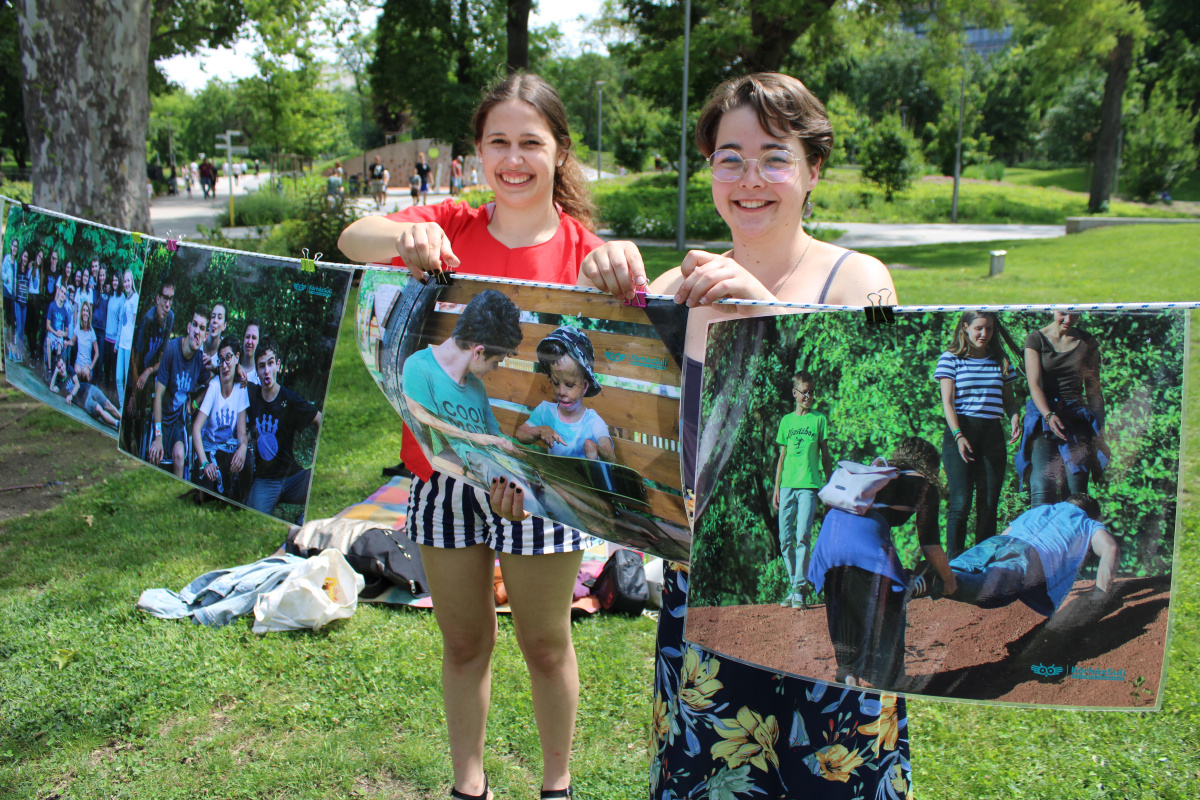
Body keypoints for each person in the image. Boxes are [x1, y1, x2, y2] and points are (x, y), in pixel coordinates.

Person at [572, 72, 910, 797]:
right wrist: (601, 276)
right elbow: (598, 401)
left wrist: (769, 314)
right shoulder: (681, 286)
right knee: (712, 778)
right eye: (730, 158)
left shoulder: (862, 280)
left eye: (774, 158)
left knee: (835, 778)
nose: (750, 179)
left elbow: (885, 424)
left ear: (813, 170)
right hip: (706, 592)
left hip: (830, 589)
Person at [338, 72, 602, 800]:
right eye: (498, 143)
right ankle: (468, 786)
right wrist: (406, 233)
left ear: (560, 151)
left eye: (530, 143)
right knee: (462, 642)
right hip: (442, 482)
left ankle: (556, 786)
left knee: (545, 643)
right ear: (478, 151)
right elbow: (353, 238)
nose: (513, 160)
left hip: (540, 489)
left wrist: (623, 264)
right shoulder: (451, 225)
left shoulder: (582, 247)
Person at [807, 436, 950, 687]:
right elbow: (930, 546)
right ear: (929, 466)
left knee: (843, 603)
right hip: (865, 545)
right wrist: (949, 580)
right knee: (892, 600)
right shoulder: (924, 486)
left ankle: (848, 672)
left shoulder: (877, 476)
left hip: (829, 543)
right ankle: (892, 677)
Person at [916, 493, 1120, 621]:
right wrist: (1100, 595)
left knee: (957, 568)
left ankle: (924, 577)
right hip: (1030, 556)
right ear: (1091, 514)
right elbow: (1110, 549)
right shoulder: (1088, 523)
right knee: (988, 591)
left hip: (998, 541)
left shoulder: (1043, 509)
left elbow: (1007, 534)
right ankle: (937, 581)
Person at [936, 311, 1022, 557]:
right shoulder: (950, 359)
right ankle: (953, 565)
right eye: (979, 328)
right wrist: (958, 435)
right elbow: (948, 403)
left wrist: (1015, 417)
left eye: (989, 329)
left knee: (988, 503)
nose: (984, 334)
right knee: (961, 502)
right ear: (965, 327)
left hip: (992, 434)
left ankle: (983, 562)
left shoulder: (1000, 361)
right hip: (961, 432)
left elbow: (1010, 402)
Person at [1017, 311, 1107, 507]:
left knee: (1076, 491)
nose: (1068, 320)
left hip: (1076, 419)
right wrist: (1048, 415)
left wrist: (1100, 430)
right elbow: (1035, 385)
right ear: (1052, 309)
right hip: (1043, 418)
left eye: (1074, 314)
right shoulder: (1036, 340)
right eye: (1063, 313)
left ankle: (1074, 525)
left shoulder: (1087, 342)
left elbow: (1093, 389)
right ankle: (1040, 526)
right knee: (1041, 487)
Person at [771, 370, 832, 609]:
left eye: (812, 392)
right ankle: (795, 585)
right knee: (785, 540)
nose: (809, 397)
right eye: (805, 392)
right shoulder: (786, 421)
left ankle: (799, 590)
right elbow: (782, 457)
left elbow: (825, 454)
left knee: (802, 537)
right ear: (795, 393)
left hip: (808, 485)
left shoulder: (819, 419)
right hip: (787, 485)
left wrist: (830, 483)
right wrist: (776, 487)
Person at [244, 337, 321, 521]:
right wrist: (238, 369)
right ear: (257, 371)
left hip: (292, 477)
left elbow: (320, 419)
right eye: (261, 366)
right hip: (265, 480)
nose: (266, 371)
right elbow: (229, 374)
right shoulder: (251, 394)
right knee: (253, 518)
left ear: (278, 365)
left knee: (321, 484)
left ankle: (302, 519)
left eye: (270, 363)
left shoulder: (290, 399)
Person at [516, 327, 614, 461]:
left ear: (585, 386)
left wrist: (596, 449)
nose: (561, 392)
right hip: (553, 474)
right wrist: (541, 430)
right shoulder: (546, 411)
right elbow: (521, 434)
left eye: (569, 385)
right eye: (556, 383)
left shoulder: (593, 422)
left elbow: (611, 457)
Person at [149, 304, 210, 478]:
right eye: (195, 325)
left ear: (205, 336)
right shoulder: (172, 349)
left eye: (202, 328)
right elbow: (158, 395)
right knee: (155, 455)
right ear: (189, 327)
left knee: (179, 455)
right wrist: (158, 435)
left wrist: (194, 403)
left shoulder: (200, 361)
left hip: (178, 421)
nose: (197, 331)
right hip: (162, 417)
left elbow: (212, 384)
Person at [191, 335, 251, 503]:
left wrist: (243, 447)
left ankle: (239, 502)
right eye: (221, 360)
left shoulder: (241, 388)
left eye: (228, 358)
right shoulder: (214, 387)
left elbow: (241, 432)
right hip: (209, 450)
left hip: (227, 449)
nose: (224, 365)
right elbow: (196, 429)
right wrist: (204, 463)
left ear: (237, 357)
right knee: (205, 489)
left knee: (246, 460)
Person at [116, 269, 138, 406]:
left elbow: (134, 324)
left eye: (128, 280)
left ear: (132, 281)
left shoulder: (135, 298)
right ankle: (121, 405)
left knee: (126, 378)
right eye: (125, 281)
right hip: (121, 344)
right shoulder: (125, 299)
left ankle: (125, 408)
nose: (126, 284)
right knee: (118, 378)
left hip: (129, 345)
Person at [43, 279, 72, 381]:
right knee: (48, 341)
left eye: (65, 293)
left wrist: (62, 333)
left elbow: (67, 332)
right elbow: (47, 325)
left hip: (59, 335)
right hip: (52, 332)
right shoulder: (52, 305)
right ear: (59, 292)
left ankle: (56, 371)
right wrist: (55, 332)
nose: (63, 294)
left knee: (59, 345)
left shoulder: (65, 311)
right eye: (62, 292)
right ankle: (49, 370)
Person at [104, 270, 124, 397]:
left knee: (113, 370)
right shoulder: (111, 295)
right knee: (106, 367)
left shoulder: (122, 298)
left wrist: (117, 343)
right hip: (106, 337)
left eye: (116, 280)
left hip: (114, 341)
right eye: (113, 280)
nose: (114, 282)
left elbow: (121, 322)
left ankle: (111, 395)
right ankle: (105, 391)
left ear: (120, 281)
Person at [71, 302, 100, 383]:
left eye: (87, 311)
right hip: (79, 362)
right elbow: (72, 342)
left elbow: (97, 353)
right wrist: (66, 342)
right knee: (78, 371)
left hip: (87, 364)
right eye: (83, 310)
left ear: (89, 314)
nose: (85, 312)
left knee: (85, 372)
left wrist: (91, 367)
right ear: (81, 312)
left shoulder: (91, 331)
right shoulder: (78, 327)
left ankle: (86, 388)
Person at [238, 319, 262, 386]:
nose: (249, 341)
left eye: (253, 338)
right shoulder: (233, 364)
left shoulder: (260, 375)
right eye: (247, 337)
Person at [1, 238, 14, 360]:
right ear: (11, 247)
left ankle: (8, 347)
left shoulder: (16, 263)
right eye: (13, 246)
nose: (15, 248)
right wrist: (6, 278)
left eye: (16, 247)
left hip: (12, 295)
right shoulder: (7, 259)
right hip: (6, 292)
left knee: (10, 322)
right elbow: (2, 272)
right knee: (5, 319)